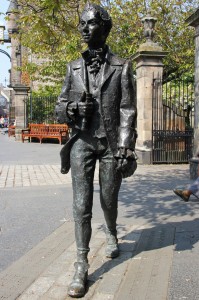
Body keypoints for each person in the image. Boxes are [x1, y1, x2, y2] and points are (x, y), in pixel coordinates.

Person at [55, 3, 137, 298]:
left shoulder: (122, 66)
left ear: (105, 26)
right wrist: (75, 107)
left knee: (108, 200)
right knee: (81, 205)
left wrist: (125, 146)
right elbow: (59, 108)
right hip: (81, 143)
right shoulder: (72, 68)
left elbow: (128, 109)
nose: (84, 29)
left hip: (110, 145)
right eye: (81, 24)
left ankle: (112, 232)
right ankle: (81, 264)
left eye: (89, 23)